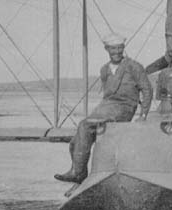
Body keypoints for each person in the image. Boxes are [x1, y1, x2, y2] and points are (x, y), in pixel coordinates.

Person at [54, 33, 153, 183]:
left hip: (125, 107)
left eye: (119, 48)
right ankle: (80, 177)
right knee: (75, 141)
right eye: (113, 49)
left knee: (85, 125)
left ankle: (78, 173)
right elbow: (107, 96)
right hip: (107, 106)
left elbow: (147, 90)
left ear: (123, 48)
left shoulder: (134, 67)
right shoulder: (104, 70)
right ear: (106, 49)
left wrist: (143, 114)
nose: (116, 52)